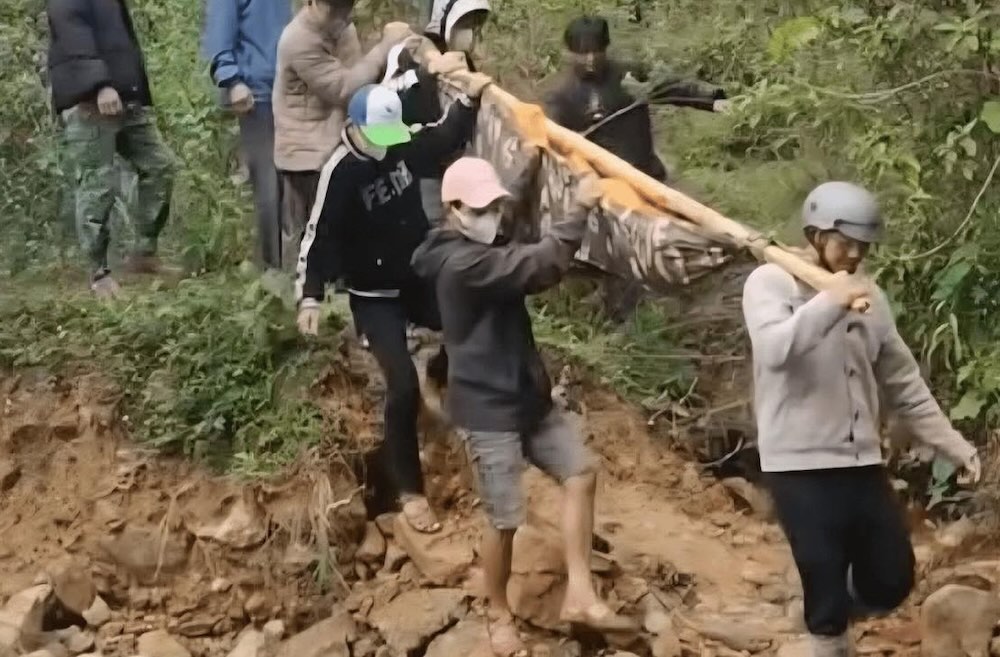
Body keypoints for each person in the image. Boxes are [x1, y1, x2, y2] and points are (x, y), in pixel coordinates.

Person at [741, 182, 982, 657]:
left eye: (862, 246)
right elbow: (774, 350)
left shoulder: (870, 298)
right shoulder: (772, 282)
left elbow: (905, 385)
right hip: (798, 466)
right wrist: (830, 299)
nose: (853, 255)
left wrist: (955, 446)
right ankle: (826, 632)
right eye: (843, 243)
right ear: (815, 234)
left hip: (860, 462)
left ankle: (828, 612)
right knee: (823, 580)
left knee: (892, 579)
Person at [411, 158, 634, 657]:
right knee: (505, 519)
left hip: (527, 395)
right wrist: (578, 206)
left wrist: (531, 160)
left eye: (494, 205)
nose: (492, 213)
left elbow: (508, 214)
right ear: (453, 211)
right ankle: (497, 611)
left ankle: (580, 593)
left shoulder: (481, 238)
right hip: (486, 409)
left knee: (579, 473)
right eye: (480, 207)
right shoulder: (461, 265)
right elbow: (541, 264)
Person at [295, 77, 492, 533]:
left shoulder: (400, 141)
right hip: (374, 294)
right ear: (356, 127)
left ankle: (443, 384)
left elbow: (442, 136)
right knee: (400, 385)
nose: (387, 147)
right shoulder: (340, 172)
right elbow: (316, 237)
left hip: (417, 274)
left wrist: (468, 99)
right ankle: (409, 490)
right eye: (378, 139)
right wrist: (310, 296)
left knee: (471, 324)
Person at [47, 0, 177, 298]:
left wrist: (134, 89)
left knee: (160, 166)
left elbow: (119, 41)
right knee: (97, 184)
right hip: (91, 102)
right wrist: (99, 85)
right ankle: (98, 273)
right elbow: (73, 36)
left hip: (125, 100)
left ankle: (144, 253)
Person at [272, 0, 412, 271]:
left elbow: (360, 75)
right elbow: (344, 88)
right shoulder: (299, 40)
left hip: (334, 142)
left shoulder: (340, 26)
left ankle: (330, 291)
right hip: (306, 153)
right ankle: (297, 292)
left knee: (336, 227)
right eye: (334, 9)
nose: (341, 16)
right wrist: (384, 47)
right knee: (308, 231)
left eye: (345, 8)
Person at [544, 15, 728, 184]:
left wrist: (712, 101)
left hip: (646, 172)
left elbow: (669, 87)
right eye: (583, 53)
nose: (590, 59)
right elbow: (557, 148)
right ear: (570, 53)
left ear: (606, 48)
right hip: (604, 184)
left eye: (596, 51)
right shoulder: (561, 95)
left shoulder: (628, 74)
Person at [381, 0, 492, 226]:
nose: (470, 32)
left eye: (475, 24)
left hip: (445, 174)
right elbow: (429, 141)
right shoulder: (412, 59)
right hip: (414, 177)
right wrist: (467, 102)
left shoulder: (462, 65)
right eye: (464, 23)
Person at [202, 0, 292, 269]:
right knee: (268, 182)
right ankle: (272, 269)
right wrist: (231, 80)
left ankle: (299, 265)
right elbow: (219, 34)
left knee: (295, 180)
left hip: (292, 90)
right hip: (256, 93)